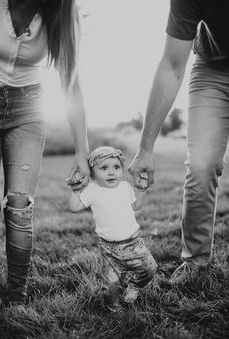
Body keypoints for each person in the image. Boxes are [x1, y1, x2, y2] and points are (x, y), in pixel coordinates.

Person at [0, 0, 90, 305]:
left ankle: (17, 293)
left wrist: (81, 150)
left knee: (20, 206)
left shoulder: (59, 13)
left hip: (29, 110)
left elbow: (70, 82)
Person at [128, 0, 229, 284]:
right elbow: (172, 66)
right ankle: (195, 262)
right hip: (213, 68)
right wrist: (146, 148)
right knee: (201, 164)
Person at [68, 146, 157, 311]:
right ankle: (114, 308)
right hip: (110, 249)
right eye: (104, 168)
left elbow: (136, 205)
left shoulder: (125, 187)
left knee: (150, 269)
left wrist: (142, 191)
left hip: (134, 243)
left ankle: (135, 286)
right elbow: (75, 207)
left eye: (116, 167)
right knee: (111, 284)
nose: (111, 172)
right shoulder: (92, 190)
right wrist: (75, 191)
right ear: (92, 174)